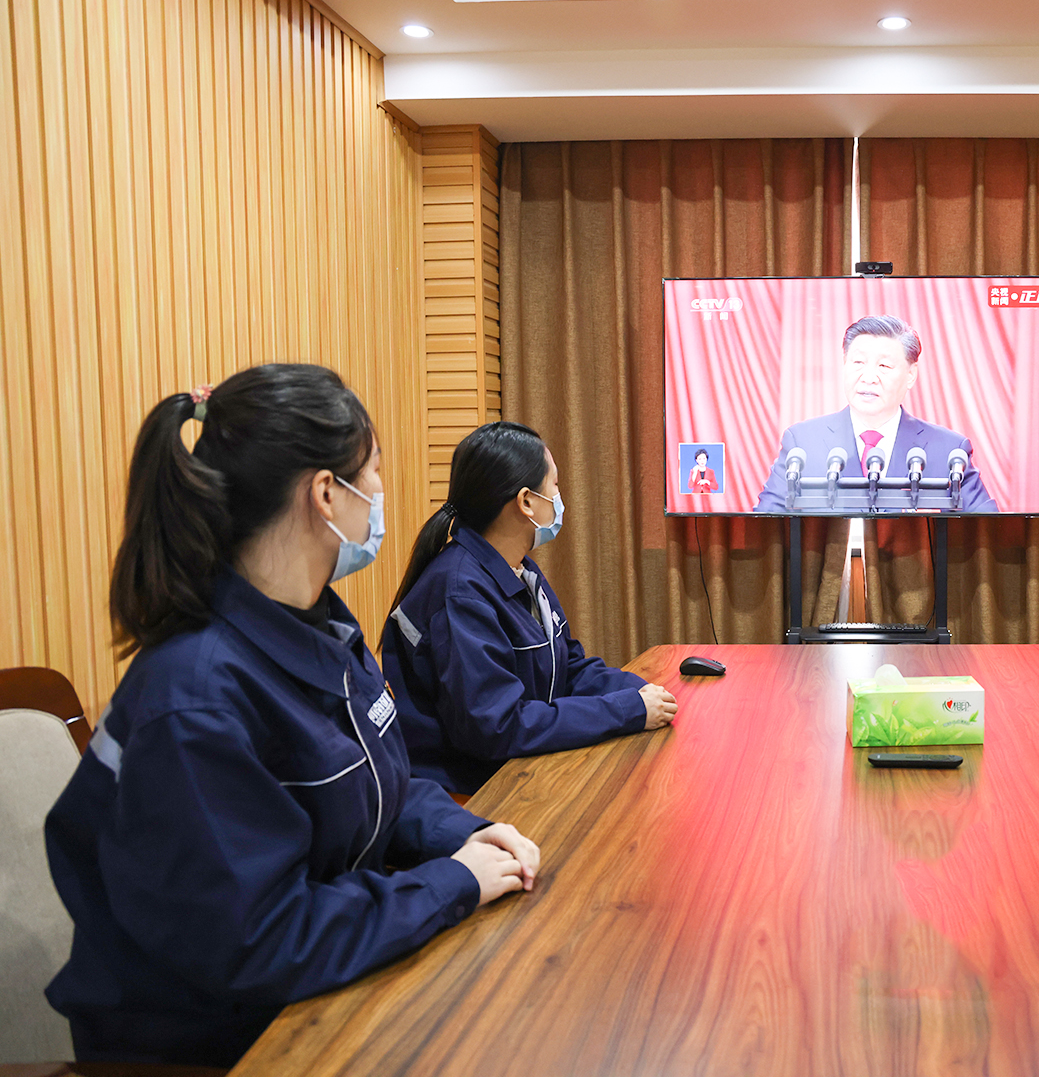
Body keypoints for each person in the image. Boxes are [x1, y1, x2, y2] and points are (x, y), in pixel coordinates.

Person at [44, 366, 540, 1068]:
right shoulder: (195, 697)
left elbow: (378, 786)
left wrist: (469, 831)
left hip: (318, 994)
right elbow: (263, 940)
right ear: (325, 494)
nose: (379, 499)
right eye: (372, 474)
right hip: (220, 1045)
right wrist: (451, 882)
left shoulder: (319, 628)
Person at [383, 422, 678, 796]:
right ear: (526, 502)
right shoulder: (460, 593)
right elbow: (498, 726)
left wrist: (649, 694)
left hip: (522, 766)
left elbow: (569, 668)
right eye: (554, 485)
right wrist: (627, 711)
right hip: (470, 793)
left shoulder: (518, 569)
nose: (559, 496)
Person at [753, 314, 999, 512]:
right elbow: (765, 524)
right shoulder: (803, 443)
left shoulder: (948, 450)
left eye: (884, 366)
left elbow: (986, 530)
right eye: (858, 363)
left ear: (911, 375)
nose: (868, 378)